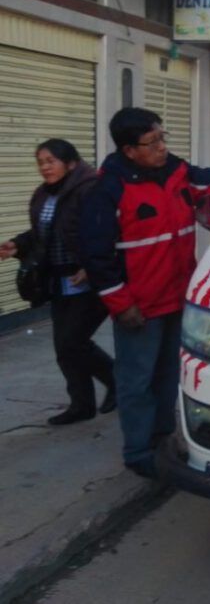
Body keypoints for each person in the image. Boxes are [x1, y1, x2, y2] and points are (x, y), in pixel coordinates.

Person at [79, 108, 210, 479]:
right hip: (140, 307)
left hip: (178, 299)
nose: (161, 147)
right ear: (128, 150)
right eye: (152, 142)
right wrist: (121, 305)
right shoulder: (108, 190)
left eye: (162, 138)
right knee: (136, 381)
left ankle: (163, 439)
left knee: (169, 374)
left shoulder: (177, 172)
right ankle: (138, 452)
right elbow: (98, 255)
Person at [0, 139, 115, 425]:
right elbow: (44, 232)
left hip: (88, 279)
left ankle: (117, 381)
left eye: (50, 161)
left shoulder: (90, 190)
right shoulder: (45, 194)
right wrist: (17, 244)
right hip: (58, 280)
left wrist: (92, 265)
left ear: (71, 163)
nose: (44, 167)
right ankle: (81, 404)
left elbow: (109, 229)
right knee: (65, 346)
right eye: (40, 162)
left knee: (71, 342)